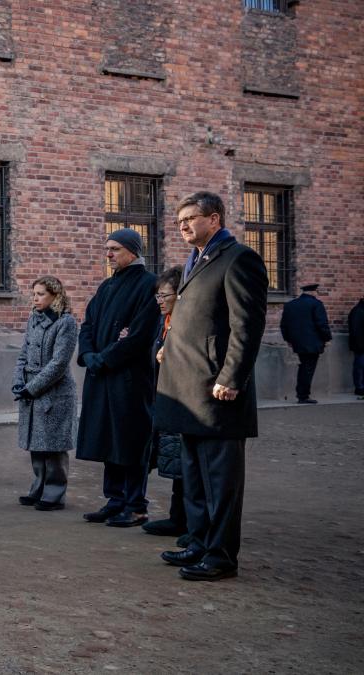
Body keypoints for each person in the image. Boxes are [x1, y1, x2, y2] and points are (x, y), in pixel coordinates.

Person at [156, 191, 268, 582]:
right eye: (179, 221)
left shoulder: (239, 259)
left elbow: (246, 326)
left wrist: (231, 377)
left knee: (219, 479)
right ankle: (199, 542)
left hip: (217, 391)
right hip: (189, 389)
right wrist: (168, 349)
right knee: (195, 475)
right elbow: (198, 320)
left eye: (190, 218)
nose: (183, 226)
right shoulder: (194, 260)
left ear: (214, 219)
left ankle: (220, 555)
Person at [76, 228, 159, 528]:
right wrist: (88, 356)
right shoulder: (107, 286)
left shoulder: (149, 285)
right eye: (107, 249)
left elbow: (139, 335)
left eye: (115, 249)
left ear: (133, 251)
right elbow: (87, 325)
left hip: (129, 380)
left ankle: (136, 505)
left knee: (131, 440)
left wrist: (104, 358)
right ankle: (115, 499)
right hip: (101, 376)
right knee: (108, 438)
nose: (108, 255)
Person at [12, 275, 77, 510]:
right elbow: (24, 353)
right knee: (37, 444)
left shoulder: (65, 322)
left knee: (54, 445)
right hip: (32, 389)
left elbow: (59, 363)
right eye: (34, 294)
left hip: (55, 393)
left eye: (41, 294)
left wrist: (33, 387)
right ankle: (38, 488)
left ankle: (54, 493)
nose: (36, 298)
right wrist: (19, 381)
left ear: (55, 296)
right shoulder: (34, 319)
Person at [142, 266, 187, 540]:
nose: (159, 301)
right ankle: (177, 517)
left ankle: (186, 522)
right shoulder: (166, 321)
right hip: (166, 399)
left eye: (164, 295)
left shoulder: (184, 324)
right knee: (175, 461)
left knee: (185, 464)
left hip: (184, 402)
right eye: (157, 296)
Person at [280, 283, 332, 404]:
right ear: (313, 292)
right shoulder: (316, 304)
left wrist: (288, 340)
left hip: (297, 343)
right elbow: (322, 324)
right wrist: (327, 338)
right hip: (313, 344)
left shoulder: (290, 305)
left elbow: (284, 325)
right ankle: (303, 396)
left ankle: (302, 394)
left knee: (304, 367)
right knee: (307, 369)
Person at [350, 296, 364, 399]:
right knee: (359, 366)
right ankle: (359, 387)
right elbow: (355, 331)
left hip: (361, 345)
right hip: (360, 345)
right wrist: (360, 346)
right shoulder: (358, 311)